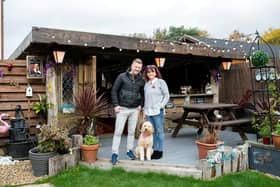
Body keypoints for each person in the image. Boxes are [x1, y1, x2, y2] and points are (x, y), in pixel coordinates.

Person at [111, 58, 145, 165]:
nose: (137, 69)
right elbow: (114, 90)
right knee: (118, 132)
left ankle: (129, 151)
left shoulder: (141, 80)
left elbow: (143, 94)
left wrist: (141, 105)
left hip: (135, 110)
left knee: (131, 132)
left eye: (139, 68)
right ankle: (114, 153)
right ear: (131, 66)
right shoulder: (122, 77)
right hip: (122, 109)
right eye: (135, 66)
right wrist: (116, 105)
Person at [143, 65, 170, 159]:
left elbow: (166, 95)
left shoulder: (160, 82)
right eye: (148, 72)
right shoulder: (146, 84)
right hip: (148, 112)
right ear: (146, 74)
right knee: (151, 132)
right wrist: (144, 111)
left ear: (156, 72)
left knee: (159, 131)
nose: (150, 73)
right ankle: (153, 149)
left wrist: (161, 105)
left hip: (158, 111)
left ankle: (160, 150)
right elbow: (146, 99)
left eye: (152, 71)